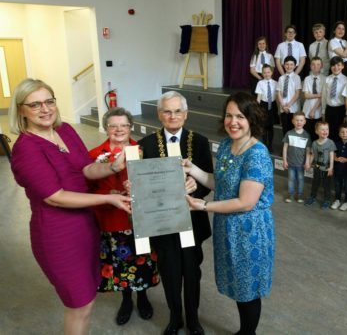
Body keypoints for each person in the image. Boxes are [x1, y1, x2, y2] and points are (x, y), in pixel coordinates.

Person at [9, 78, 131, 335]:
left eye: (49, 101)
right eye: (35, 104)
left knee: (87, 299)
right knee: (79, 305)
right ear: (21, 110)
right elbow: (55, 196)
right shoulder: (26, 148)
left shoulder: (64, 130)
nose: (45, 109)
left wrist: (112, 167)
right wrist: (108, 198)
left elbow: (85, 168)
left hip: (86, 226)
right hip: (58, 234)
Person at [185, 92, 275, 335]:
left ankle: (248, 333)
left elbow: (246, 202)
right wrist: (192, 168)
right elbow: (220, 183)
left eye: (240, 116)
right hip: (227, 226)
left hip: (249, 231)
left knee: (247, 288)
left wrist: (203, 206)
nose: (233, 122)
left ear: (252, 120)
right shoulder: (226, 145)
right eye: (228, 115)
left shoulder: (257, 154)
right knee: (238, 283)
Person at [138, 91, 213, 335]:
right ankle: (174, 317)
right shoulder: (145, 144)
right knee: (170, 272)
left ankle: (193, 319)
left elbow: (210, 181)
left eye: (177, 111)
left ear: (186, 114)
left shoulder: (200, 141)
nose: (173, 116)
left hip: (191, 219)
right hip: (162, 222)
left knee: (192, 271)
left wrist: (196, 187)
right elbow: (142, 185)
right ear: (160, 115)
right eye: (167, 111)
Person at [88, 107, 159, 326]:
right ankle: (127, 299)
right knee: (119, 263)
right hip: (111, 220)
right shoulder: (94, 155)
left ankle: (144, 296)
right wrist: (106, 195)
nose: (119, 130)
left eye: (124, 125)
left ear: (131, 127)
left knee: (144, 261)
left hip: (142, 219)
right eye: (113, 125)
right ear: (106, 128)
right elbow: (87, 190)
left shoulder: (145, 151)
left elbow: (157, 183)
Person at [304, 121, 336, 209]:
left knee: (327, 185)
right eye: (322, 129)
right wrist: (309, 163)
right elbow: (313, 154)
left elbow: (332, 155)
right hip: (317, 167)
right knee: (315, 183)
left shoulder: (330, 143)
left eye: (327, 129)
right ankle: (312, 197)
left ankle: (327, 200)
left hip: (326, 168)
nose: (325, 131)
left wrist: (331, 167)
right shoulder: (314, 143)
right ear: (316, 131)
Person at [282, 112, 312, 203]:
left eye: (301, 120)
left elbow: (308, 151)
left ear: (305, 122)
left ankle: (299, 194)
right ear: (293, 121)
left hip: (301, 164)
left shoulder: (306, 135)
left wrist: (307, 162)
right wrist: (284, 160)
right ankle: (290, 194)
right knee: (291, 179)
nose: (299, 122)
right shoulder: (289, 133)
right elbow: (285, 147)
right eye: (297, 120)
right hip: (290, 162)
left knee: (300, 179)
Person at [321, 56, 347, 139]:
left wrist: (346, 114)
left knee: (340, 132)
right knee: (329, 131)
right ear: (330, 67)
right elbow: (324, 96)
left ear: (343, 66)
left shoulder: (346, 80)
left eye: (338, 65)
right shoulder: (327, 79)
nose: (336, 67)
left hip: (341, 109)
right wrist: (323, 111)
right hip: (329, 109)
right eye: (333, 65)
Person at [331, 124, 347, 211]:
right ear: (339, 134)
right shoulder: (336, 143)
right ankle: (337, 200)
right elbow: (333, 156)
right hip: (337, 169)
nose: (344, 134)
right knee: (337, 185)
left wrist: (346, 160)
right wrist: (337, 159)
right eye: (342, 132)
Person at [255, 64, 278, 152]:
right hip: (263, 106)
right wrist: (257, 108)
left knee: (271, 127)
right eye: (264, 73)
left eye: (268, 72)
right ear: (262, 74)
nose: (266, 74)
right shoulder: (260, 83)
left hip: (272, 105)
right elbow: (259, 97)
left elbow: (277, 97)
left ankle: (270, 145)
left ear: (271, 72)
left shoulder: (276, 83)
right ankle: (265, 144)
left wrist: (279, 109)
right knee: (264, 126)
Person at [276, 55, 302, 136]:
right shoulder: (281, 78)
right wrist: (283, 106)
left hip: (293, 108)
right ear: (283, 65)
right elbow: (279, 93)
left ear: (295, 66)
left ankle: (292, 148)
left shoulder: (297, 77)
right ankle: (285, 147)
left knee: (293, 129)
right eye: (287, 64)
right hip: (283, 108)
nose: (289, 66)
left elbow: (297, 93)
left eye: (291, 64)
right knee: (285, 129)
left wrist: (289, 105)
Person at [302, 57, 325, 141]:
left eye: (318, 64)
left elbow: (322, 97)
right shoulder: (307, 79)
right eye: (313, 64)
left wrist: (314, 110)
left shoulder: (324, 79)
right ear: (310, 66)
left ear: (321, 66)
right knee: (307, 133)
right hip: (307, 109)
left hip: (317, 110)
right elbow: (306, 95)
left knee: (316, 133)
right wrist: (318, 94)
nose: (316, 66)